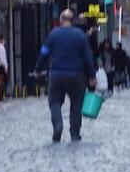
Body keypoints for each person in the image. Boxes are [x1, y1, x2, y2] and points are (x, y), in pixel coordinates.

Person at [35, 10, 96, 143]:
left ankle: (58, 124)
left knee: (55, 102)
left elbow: (44, 52)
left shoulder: (53, 34)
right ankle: (74, 133)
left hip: (56, 74)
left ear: (61, 19)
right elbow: (87, 57)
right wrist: (92, 75)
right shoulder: (80, 35)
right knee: (76, 104)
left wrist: (38, 70)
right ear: (73, 20)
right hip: (76, 75)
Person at [0, 33, 9, 98]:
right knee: (5, 80)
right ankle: (1, 94)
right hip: (1, 66)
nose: (4, 40)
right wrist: (6, 67)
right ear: (0, 39)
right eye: (3, 39)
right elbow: (2, 58)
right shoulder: (1, 47)